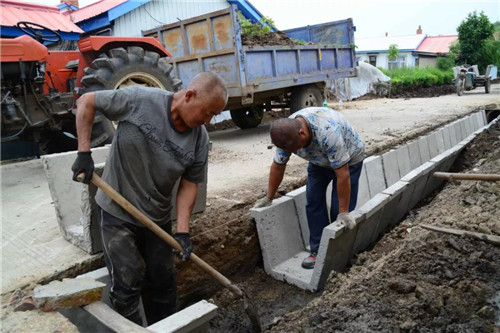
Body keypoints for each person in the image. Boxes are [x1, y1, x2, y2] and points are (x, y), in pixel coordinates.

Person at [71, 72, 228, 326]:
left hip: (157, 217)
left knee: (163, 284)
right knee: (127, 285)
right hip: (117, 212)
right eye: (207, 112)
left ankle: (165, 327)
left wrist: (183, 232)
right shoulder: (139, 100)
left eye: (214, 115)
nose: (208, 121)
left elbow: (189, 185)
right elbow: (87, 101)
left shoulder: (200, 139)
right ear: (189, 96)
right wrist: (84, 152)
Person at [254, 106, 365, 269]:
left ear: (302, 134)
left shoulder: (327, 132)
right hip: (319, 161)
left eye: (296, 148)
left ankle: (342, 254)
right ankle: (318, 251)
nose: (294, 152)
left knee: (338, 211)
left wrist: (343, 212)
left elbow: (342, 174)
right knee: (313, 201)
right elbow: (278, 166)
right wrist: (268, 197)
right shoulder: (286, 134)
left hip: (349, 159)